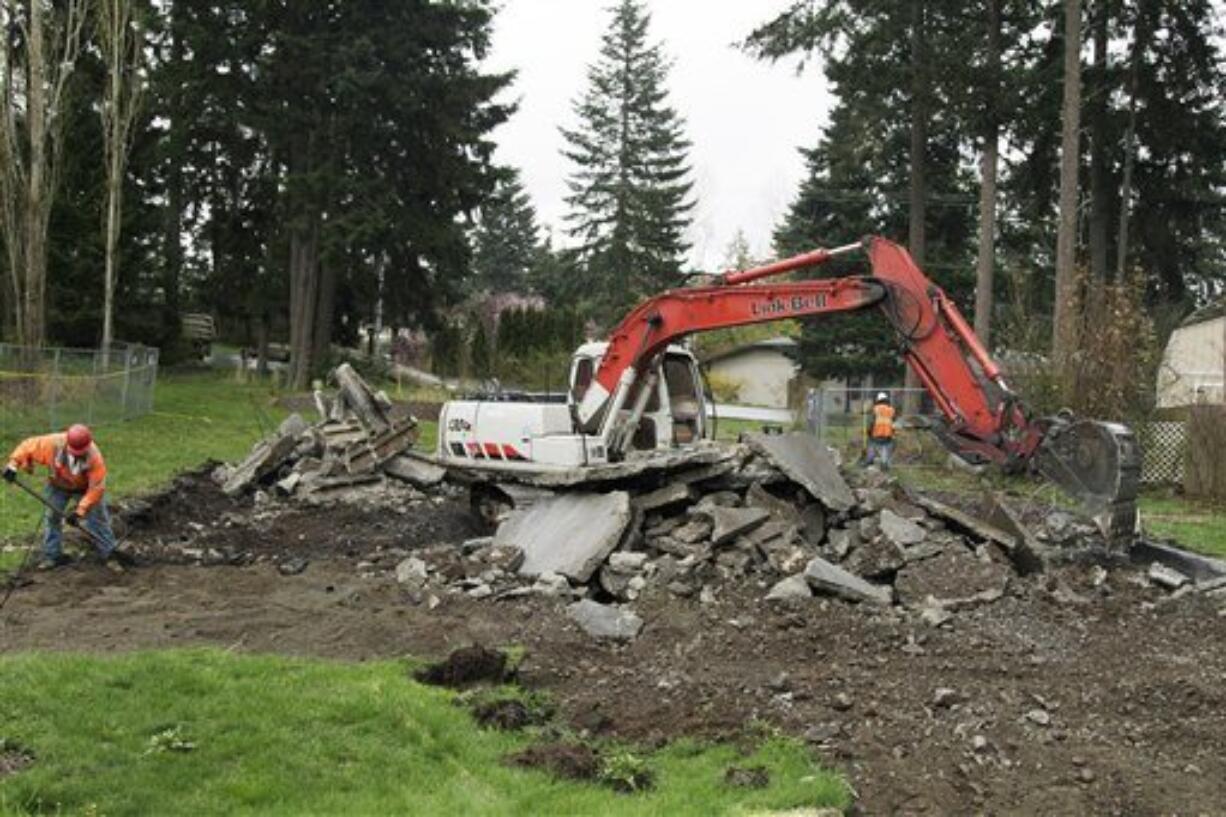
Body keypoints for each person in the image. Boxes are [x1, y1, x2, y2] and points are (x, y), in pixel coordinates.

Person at [3, 424, 120, 570]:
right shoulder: (52, 444)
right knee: (52, 517)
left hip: (85, 489)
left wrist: (79, 511)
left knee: (97, 518)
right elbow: (27, 446)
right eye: (75, 453)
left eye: (81, 453)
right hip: (58, 485)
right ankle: (52, 556)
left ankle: (109, 554)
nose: (78, 456)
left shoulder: (95, 458)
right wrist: (13, 464)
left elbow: (96, 488)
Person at [864, 391, 896, 470]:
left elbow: (872, 422)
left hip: (877, 433)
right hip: (888, 435)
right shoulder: (891, 410)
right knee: (885, 447)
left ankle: (869, 460)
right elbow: (893, 422)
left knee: (871, 444)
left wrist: (868, 431)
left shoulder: (875, 409)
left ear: (878, 400)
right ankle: (884, 463)